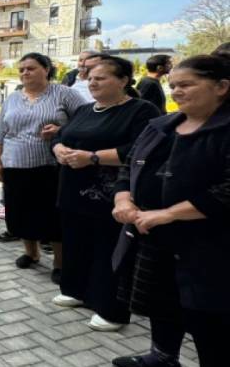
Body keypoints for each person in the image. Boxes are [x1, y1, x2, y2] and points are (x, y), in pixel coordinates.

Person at [110, 54, 230, 367]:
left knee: (209, 315)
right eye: (173, 84)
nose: (176, 91)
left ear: (222, 87)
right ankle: (163, 358)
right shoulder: (162, 124)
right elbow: (129, 165)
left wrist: (169, 213)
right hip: (153, 234)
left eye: (187, 84)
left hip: (210, 244)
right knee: (161, 301)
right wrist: (123, 199)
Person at [51, 56, 159, 331]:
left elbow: (141, 150)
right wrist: (58, 148)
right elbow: (61, 135)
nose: (92, 82)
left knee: (107, 249)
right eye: (90, 77)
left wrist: (93, 157)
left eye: (101, 77)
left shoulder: (141, 111)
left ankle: (110, 309)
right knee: (76, 243)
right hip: (73, 191)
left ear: (123, 81)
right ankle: (75, 290)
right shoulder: (86, 109)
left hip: (111, 195)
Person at [0, 52, 85, 283]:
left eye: (31, 68)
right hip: (15, 164)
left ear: (46, 69)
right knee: (19, 212)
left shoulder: (64, 94)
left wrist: (61, 131)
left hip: (50, 166)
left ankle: (60, 262)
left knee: (52, 215)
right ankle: (31, 253)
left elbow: (86, 120)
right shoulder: (13, 98)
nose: (25, 72)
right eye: (22, 69)